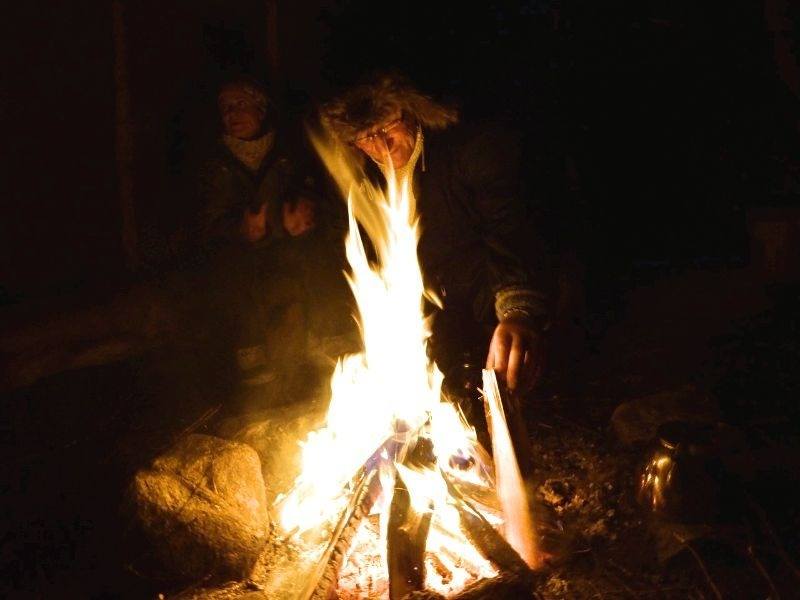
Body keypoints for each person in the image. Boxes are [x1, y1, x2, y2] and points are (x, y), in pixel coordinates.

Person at [319, 74, 552, 393]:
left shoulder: (468, 149)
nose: (381, 144)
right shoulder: (358, 181)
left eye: (387, 127)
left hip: (483, 288)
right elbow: (352, 256)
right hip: (428, 311)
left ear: (410, 111)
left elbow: (509, 228)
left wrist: (517, 309)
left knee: (508, 375)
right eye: (366, 136)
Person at [195, 77, 316, 395]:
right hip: (237, 258)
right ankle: (255, 379)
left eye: (239, 105)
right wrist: (238, 228)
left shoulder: (287, 156)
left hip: (284, 250)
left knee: (296, 279)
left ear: (260, 109)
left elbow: (309, 198)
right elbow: (205, 223)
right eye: (225, 109)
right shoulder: (213, 164)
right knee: (240, 282)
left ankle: (304, 374)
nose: (231, 114)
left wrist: (302, 217)